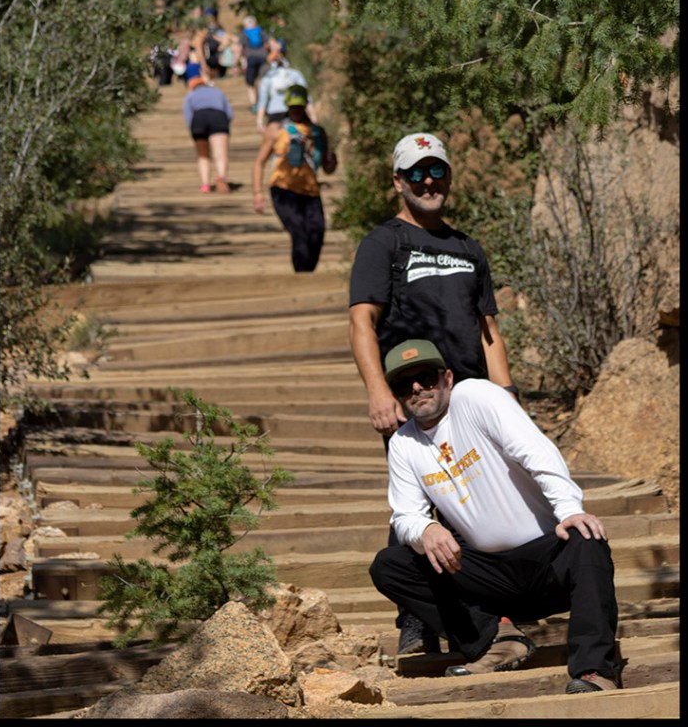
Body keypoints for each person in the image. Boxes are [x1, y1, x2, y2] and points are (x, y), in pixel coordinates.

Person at [370, 338, 621, 693]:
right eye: (403, 384)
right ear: (396, 394)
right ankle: (496, 638)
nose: (416, 388)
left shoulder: (476, 397)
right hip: (490, 579)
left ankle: (594, 671)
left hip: (549, 563)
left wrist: (568, 509)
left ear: (447, 378)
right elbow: (405, 514)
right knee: (390, 564)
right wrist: (425, 528)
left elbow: (535, 451)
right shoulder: (403, 444)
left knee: (586, 536)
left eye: (426, 377)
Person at [349, 131, 516, 655]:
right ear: (398, 181)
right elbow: (361, 322)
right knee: (416, 513)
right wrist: (379, 391)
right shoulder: (384, 243)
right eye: (416, 173)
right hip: (413, 401)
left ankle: (493, 616)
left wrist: (506, 397)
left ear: (448, 176)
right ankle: (418, 621)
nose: (428, 182)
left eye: (436, 170)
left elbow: (489, 330)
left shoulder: (469, 248)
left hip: (469, 401)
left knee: (480, 509)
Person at [252, 84, 337, 272]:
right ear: (287, 106)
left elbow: (328, 168)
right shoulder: (276, 130)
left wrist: (332, 158)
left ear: (305, 105)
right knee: (298, 232)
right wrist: (258, 193)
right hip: (283, 189)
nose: (296, 110)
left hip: (311, 191)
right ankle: (302, 275)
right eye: (293, 107)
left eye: (299, 106)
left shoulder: (317, 132)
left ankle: (307, 273)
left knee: (317, 234)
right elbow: (259, 162)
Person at [182, 65, 233, 194]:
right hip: (218, 117)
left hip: (199, 119)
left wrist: (193, 130)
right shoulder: (218, 92)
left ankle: (205, 185)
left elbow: (188, 116)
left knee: (203, 155)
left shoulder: (190, 96)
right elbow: (229, 113)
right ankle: (221, 177)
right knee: (220, 154)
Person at [255, 48, 316, 133]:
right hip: (297, 111)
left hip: (274, 114)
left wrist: (260, 122)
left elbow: (262, 102)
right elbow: (307, 96)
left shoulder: (268, 78)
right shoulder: (295, 74)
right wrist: (313, 116)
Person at [238, 15, 270, 112]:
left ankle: (254, 105)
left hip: (250, 58)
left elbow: (240, 48)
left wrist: (239, 60)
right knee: (261, 80)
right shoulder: (261, 31)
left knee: (250, 83)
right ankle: (262, 102)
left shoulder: (244, 34)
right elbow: (267, 44)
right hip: (263, 57)